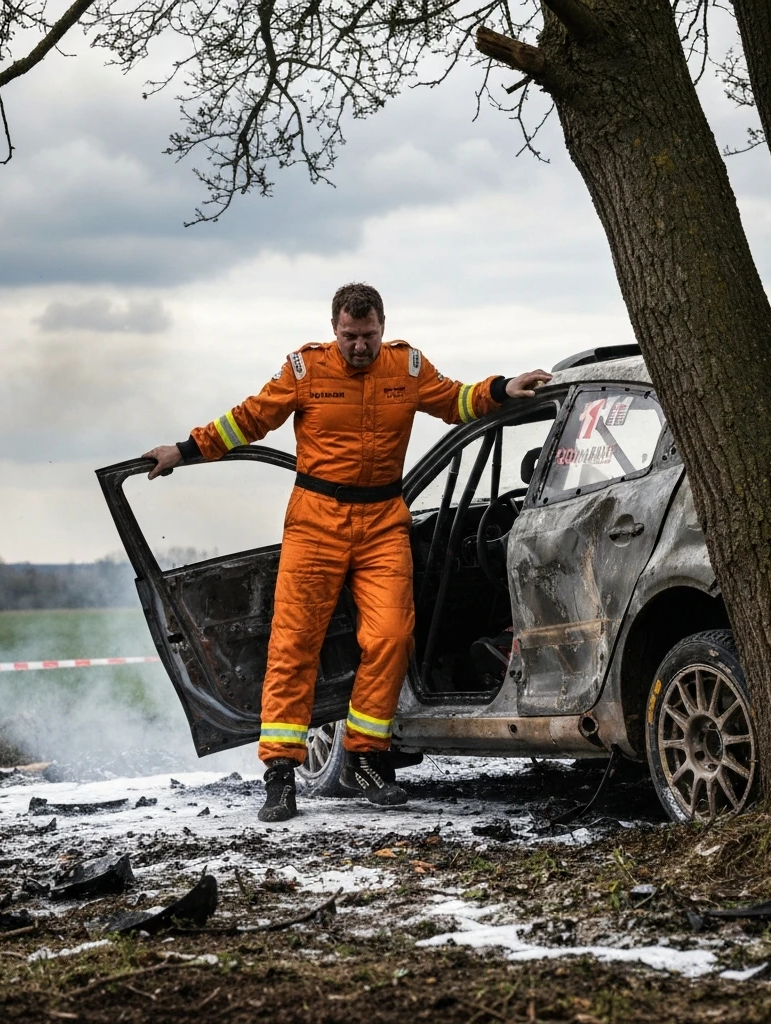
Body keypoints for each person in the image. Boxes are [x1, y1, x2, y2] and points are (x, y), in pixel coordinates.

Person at [144, 283, 551, 821]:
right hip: (316, 522)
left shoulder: (407, 368)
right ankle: (281, 775)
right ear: (333, 329)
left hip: (383, 521)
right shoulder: (303, 370)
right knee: (294, 646)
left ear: (382, 327)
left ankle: (366, 756)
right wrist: (184, 450)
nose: (359, 346)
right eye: (349, 336)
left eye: (368, 336)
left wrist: (502, 387)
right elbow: (247, 419)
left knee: (391, 637)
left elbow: (455, 400)